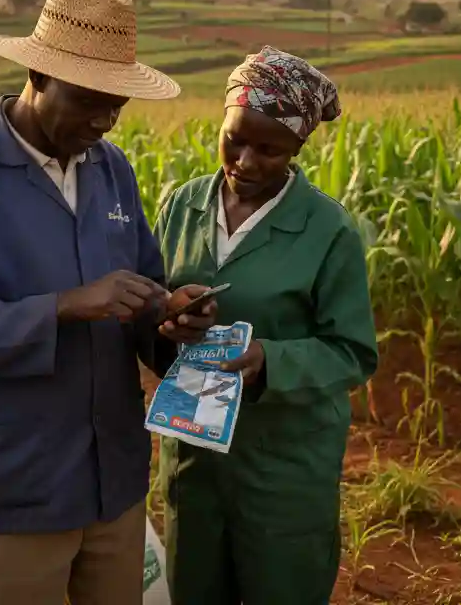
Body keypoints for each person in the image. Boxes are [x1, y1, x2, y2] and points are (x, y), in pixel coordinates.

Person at [0, 0, 219, 605]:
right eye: (87, 100)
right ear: (36, 76)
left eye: (116, 104)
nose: (104, 120)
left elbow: (143, 294)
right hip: (16, 480)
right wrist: (64, 307)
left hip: (113, 477)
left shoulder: (111, 169)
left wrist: (173, 316)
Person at [152, 46, 380, 604]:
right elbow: (151, 308)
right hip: (196, 462)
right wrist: (167, 316)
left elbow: (351, 352)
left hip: (283, 470)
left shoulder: (327, 230)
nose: (246, 161)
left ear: (298, 149)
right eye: (235, 139)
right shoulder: (183, 206)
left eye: (270, 150)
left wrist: (267, 362)